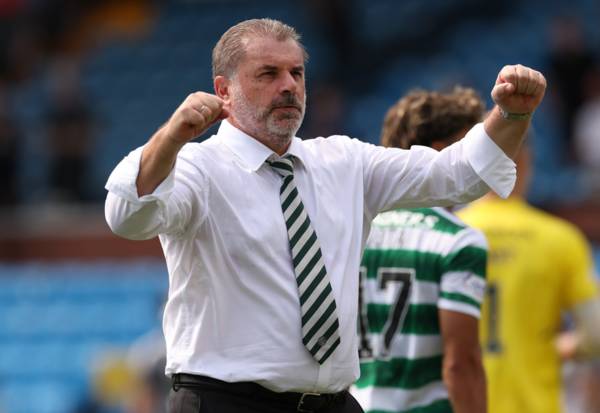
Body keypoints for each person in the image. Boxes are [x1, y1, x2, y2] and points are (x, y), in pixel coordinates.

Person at [104, 18, 545, 413]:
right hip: (226, 401)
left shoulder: (343, 161)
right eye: (268, 74)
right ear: (224, 90)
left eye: (296, 73)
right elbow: (126, 215)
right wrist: (171, 137)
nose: (288, 86)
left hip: (332, 401)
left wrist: (512, 114)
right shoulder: (196, 169)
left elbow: (459, 175)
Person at [351, 87, 488, 413]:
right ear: (441, 154)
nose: (481, 165)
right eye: (471, 151)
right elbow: (460, 364)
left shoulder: (352, 231)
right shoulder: (456, 241)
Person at [457, 136, 600, 413]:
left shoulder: (450, 232)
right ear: (526, 162)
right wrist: (557, 348)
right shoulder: (560, 239)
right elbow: (595, 335)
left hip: (462, 403)